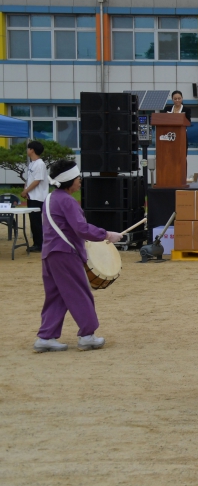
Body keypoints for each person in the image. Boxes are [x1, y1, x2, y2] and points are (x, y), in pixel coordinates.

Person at [33, 159, 121, 353]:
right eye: (77, 177)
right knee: (79, 293)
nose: (80, 180)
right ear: (69, 180)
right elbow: (81, 228)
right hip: (65, 254)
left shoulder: (50, 198)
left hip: (50, 254)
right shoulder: (67, 201)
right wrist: (107, 235)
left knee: (56, 296)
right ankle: (87, 335)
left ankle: (46, 337)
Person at [21, 140, 47, 253]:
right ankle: (36, 243)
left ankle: (39, 244)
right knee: (33, 220)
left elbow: (37, 181)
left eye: (28, 148)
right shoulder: (32, 163)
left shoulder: (40, 164)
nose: (27, 150)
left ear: (32, 150)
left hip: (38, 197)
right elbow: (30, 179)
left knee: (36, 221)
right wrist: (25, 190)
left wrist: (26, 190)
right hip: (32, 196)